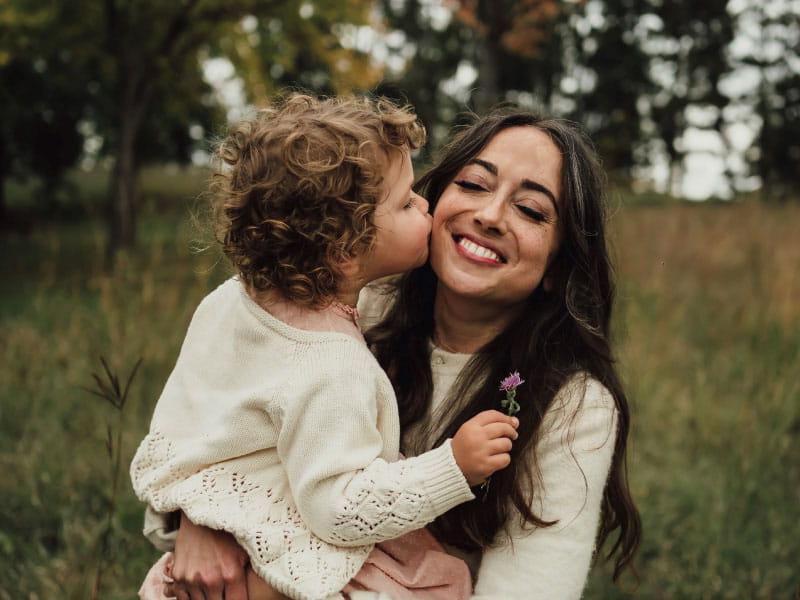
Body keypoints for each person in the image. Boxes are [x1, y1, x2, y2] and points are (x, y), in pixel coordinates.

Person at [153, 108, 642, 599]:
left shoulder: (574, 406)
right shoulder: (344, 305)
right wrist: (200, 516)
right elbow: (215, 424)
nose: (490, 216)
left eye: (532, 211)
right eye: (474, 184)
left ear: (559, 265)